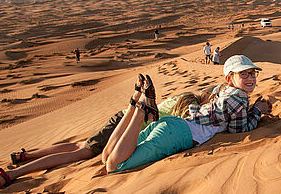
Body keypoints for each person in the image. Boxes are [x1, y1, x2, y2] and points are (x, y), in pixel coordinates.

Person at [0, 75, 204, 191]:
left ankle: (28, 155)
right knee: (80, 152)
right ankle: (14, 173)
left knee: (79, 145)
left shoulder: (180, 96)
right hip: (125, 122)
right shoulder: (188, 104)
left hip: (120, 118)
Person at [102, 55, 270, 173]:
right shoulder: (239, 97)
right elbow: (239, 130)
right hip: (176, 135)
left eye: (252, 73)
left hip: (173, 125)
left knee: (107, 156)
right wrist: (258, 110)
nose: (250, 78)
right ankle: (140, 113)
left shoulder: (223, 91)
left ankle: (133, 104)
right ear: (229, 79)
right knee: (115, 166)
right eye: (243, 74)